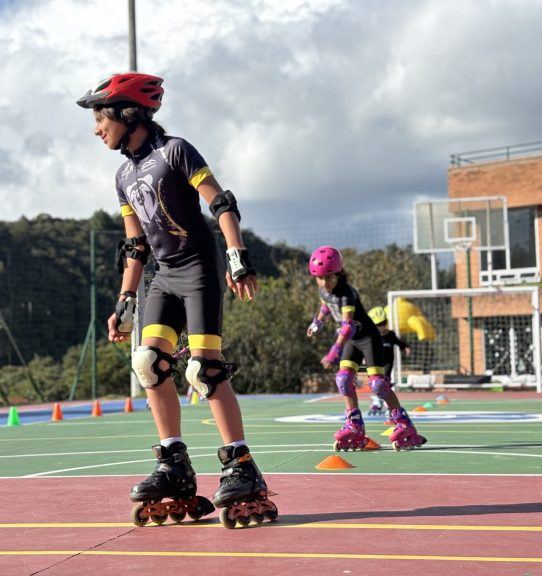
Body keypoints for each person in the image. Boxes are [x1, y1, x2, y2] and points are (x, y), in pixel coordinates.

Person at [77, 72, 277, 528]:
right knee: (149, 363)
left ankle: (240, 466)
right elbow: (136, 244)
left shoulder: (177, 151)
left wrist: (236, 255)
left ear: (127, 113)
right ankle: (173, 464)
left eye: (99, 117)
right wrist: (126, 301)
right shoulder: (123, 174)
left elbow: (220, 202)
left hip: (198, 271)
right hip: (162, 279)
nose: (95, 129)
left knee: (204, 369)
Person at [306, 246, 426, 451]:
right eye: (321, 278)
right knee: (343, 380)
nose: (326, 282)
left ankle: (405, 425)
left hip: (368, 338)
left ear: (339, 273)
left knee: (378, 385)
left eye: (330, 277)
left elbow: (347, 325)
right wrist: (317, 322)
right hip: (352, 340)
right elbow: (326, 305)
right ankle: (354, 426)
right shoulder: (324, 290)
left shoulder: (346, 293)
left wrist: (335, 349)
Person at [366, 306, 411, 416]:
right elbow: (364, 347)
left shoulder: (390, 335)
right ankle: (377, 402)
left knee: (384, 382)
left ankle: (388, 404)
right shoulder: (371, 336)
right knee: (375, 383)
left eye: (384, 323)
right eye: (379, 325)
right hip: (375, 363)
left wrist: (405, 347)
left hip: (387, 363)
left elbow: (398, 342)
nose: (382, 326)